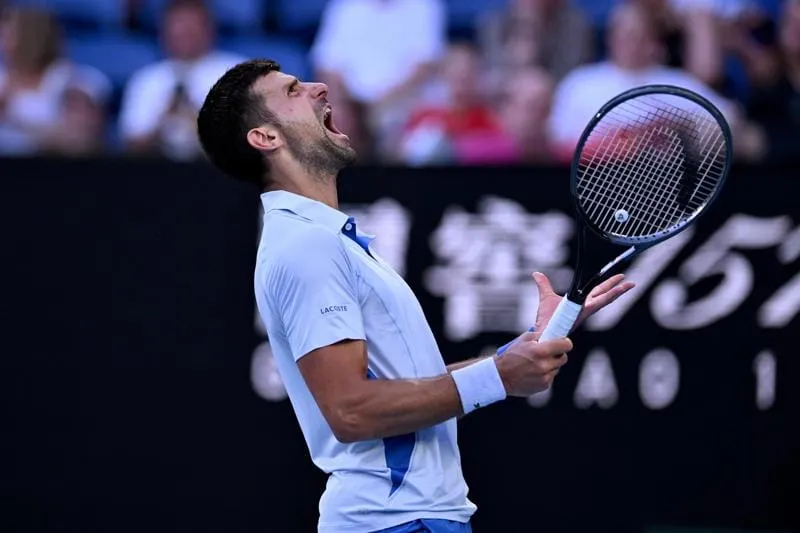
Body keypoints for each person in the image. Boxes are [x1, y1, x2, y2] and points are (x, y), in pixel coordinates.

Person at [196, 59, 635, 533]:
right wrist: (498, 377)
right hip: (393, 522)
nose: (320, 87)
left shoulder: (324, 240)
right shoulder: (306, 245)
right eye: (293, 90)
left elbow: (407, 383)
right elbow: (351, 410)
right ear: (266, 137)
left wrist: (518, 354)